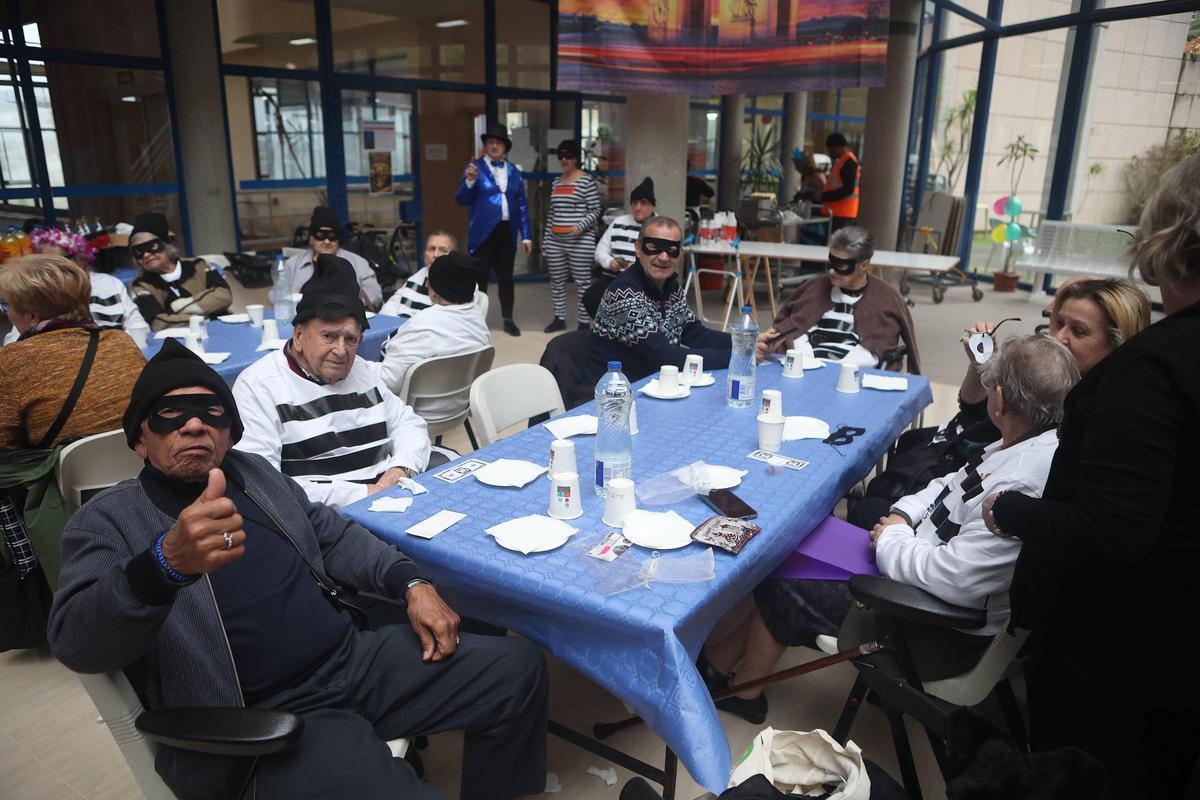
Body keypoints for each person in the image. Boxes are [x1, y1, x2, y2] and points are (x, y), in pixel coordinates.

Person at [46, 339, 549, 800]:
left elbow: (331, 534)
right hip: (267, 710)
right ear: (139, 440)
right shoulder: (107, 520)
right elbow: (77, 642)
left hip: (352, 660)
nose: (194, 425)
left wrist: (411, 582)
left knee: (517, 670)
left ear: (229, 432)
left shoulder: (255, 474)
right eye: (170, 416)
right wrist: (163, 565)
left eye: (210, 413)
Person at [702, 335, 1079, 724]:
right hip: (919, 566)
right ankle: (718, 663)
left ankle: (741, 690)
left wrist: (891, 539)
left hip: (935, 627)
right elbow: (948, 484)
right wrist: (902, 516)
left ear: (998, 399)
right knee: (790, 547)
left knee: (785, 583)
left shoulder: (1020, 485)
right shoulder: (1028, 445)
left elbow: (955, 579)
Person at [982, 155, 1200, 798]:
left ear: (1167, 239)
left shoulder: (1152, 371)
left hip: (1123, 659)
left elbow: (1112, 530)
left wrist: (1013, 511)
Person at [848, 277, 1151, 529]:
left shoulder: (1084, 422)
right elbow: (971, 412)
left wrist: (899, 533)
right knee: (899, 461)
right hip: (960, 475)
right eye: (1057, 322)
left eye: (1079, 331)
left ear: (1117, 344)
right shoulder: (1054, 383)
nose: (1059, 337)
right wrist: (981, 366)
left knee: (868, 507)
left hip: (961, 509)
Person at [233, 254, 431, 510]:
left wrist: (400, 469)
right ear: (299, 335)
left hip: (390, 500)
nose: (341, 350)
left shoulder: (361, 370)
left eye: (351, 339)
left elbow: (409, 423)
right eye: (328, 336)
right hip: (323, 522)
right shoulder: (258, 386)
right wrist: (367, 493)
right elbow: (266, 485)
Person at [0, 255, 145, 450]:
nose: (7, 313)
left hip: (64, 477)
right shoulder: (122, 341)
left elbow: (5, 447)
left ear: (32, 316)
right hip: (136, 463)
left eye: (7, 306)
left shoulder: (11, 361)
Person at [756, 226, 919, 372]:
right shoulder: (814, 288)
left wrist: (835, 371)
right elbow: (791, 327)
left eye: (841, 266)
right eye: (831, 263)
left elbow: (877, 348)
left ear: (864, 266)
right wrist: (807, 360)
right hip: (804, 366)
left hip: (854, 375)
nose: (832, 272)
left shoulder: (885, 298)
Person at [589, 216, 731, 383]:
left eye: (672, 249)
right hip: (616, 395)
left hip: (656, 386)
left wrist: (746, 342)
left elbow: (695, 334)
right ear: (638, 249)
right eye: (653, 247)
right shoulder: (623, 294)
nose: (664, 257)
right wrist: (736, 358)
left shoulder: (671, 288)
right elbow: (665, 358)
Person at [378, 251, 491, 419]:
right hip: (459, 409)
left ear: (432, 290)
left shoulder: (423, 324)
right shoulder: (479, 321)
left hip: (414, 416)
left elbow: (388, 381)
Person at [2, 227, 145, 345]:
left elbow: (136, 324)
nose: (52, 270)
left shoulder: (109, 283)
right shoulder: (39, 293)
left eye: (59, 261)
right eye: (44, 264)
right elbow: (14, 339)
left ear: (81, 259)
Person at [455, 122, 532, 337]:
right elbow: (461, 199)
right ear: (486, 146)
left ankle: (508, 319)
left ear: (505, 147)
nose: (494, 146)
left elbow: (522, 205)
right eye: (490, 142)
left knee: (506, 278)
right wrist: (469, 181)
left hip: (507, 232)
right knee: (479, 279)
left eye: (498, 142)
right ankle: (475, 322)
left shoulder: (514, 171)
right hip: (482, 233)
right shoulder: (475, 168)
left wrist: (526, 237)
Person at [129, 212, 232, 331]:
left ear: (166, 244)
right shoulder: (140, 285)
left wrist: (175, 308)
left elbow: (224, 295)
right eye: (138, 251)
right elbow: (157, 322)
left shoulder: (198, 265)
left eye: (151, 247)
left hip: (221, 331)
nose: (146, 254)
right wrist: (202, 317)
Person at [541, 139, 601, 332]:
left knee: (583, 282)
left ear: (576, 158)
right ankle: (559, 318)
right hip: (555, 242)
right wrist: (546, 241)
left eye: (568, 155)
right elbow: (552, 213)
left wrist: (581, 225)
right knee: (557, 281)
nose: (564, 159)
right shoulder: (556, 182)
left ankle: (584, 322)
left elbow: (596, 210)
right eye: (561, 156)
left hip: (580, 241)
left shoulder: (586, 180)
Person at [279, 206, 383, 310]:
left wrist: (346, 303)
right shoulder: (292, 264)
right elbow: (276, 294)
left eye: (332, 236)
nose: (327, 241)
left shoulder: (357, 262)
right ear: (312, 238)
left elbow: (375, 293)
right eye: (320, 235)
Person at [378, 230, 484, 318]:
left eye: (443, 250)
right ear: (424, 254)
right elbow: (389, 309)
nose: (436, 255)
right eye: (432, 249)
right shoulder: (414, 280)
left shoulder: (465, 285)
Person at [593, 176, 656, 290]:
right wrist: (609, 261)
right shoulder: (618, 222)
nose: (638, 207)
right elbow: (600, 250)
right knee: (590, 297)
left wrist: (640, 268)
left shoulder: (659, 226)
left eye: (643, 203)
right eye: (635, 203)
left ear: (652, 205)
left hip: (644, 279)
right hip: (614, 276)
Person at [821, 133, 859, 231]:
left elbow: (848, 189)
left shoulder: (848, 163)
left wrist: (824, 196)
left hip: (842, 215)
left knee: (838, 244)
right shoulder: (841, 162)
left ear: (838, 147)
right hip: (839, 214)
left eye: (830, 150)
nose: (829, 153)